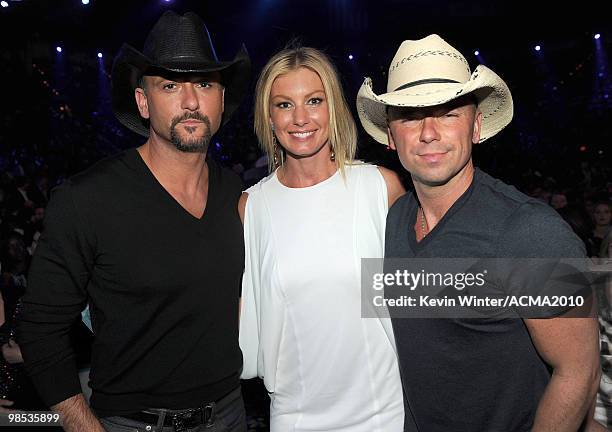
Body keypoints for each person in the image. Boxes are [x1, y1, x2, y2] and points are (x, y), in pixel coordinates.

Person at [17, 11, 250, 432]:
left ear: (221, 99)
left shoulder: (236, 192)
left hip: (231, 415)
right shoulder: (87, 199)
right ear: (143, 102)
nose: (191, 101)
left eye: (204, 84)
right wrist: (80, 423)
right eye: (169, 85)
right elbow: (39, 328)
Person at [356, 34, 601, 431]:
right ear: (389, 134)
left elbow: (578, 373)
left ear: (476, 126)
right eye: (412, 116)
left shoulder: (532, 232)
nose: (429, 132)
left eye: (449, 112)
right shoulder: (393, 220)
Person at [239, 46, 405, 431]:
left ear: (333, 107)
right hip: (294, 416)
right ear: (269, 116)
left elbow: (420, 301)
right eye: (284, 104)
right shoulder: (253, 208)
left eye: (314, 100)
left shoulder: (380, 187)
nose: (300, 118)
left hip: (384, 411)